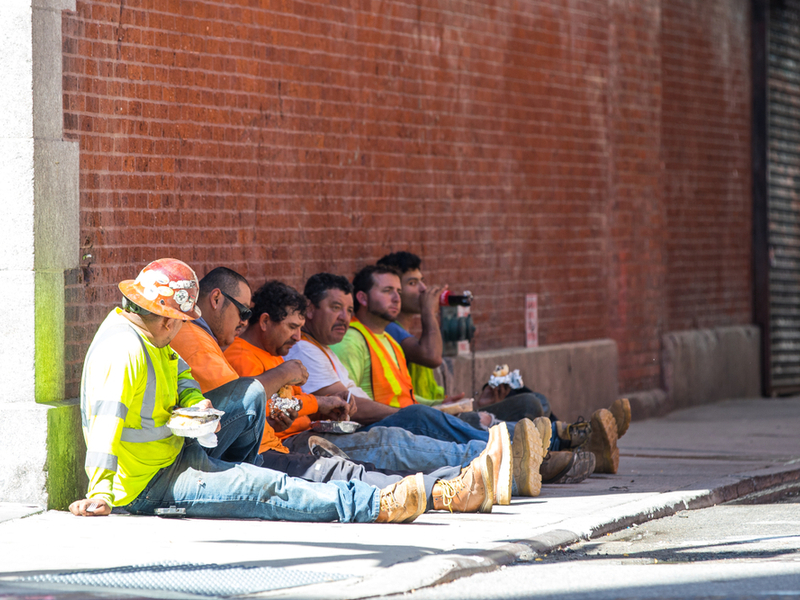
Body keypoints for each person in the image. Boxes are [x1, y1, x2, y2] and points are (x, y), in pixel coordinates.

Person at [70, 258, 427, 524]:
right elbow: (106, 423)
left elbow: (181, 375)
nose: (181, 329)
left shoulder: (152, 334)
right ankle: (372, 504)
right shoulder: (125, 350)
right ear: (166, 319)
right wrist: (100, 493)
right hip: (149, 484)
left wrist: (196, 404)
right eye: (179, 322)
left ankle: (239, 469)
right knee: (265, 489)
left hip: (176, 452)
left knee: (250, 394)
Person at [170, 267, 498, 514]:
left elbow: (236, 408)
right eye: (242, 312)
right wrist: (293, 394)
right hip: (254, 457)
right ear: (215, 300)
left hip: (260, 451)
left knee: (355, 467)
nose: (243, 321)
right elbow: (238, 402)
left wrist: (284, 410)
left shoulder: (202, 342)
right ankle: (455, 480)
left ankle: (456, 477)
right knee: (343, 471)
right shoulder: (200, 343)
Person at [224, 279, 553, 504]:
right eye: (291, 328)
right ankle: (500, 461)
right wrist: (317, 402)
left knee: (412, 424)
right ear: (265, 321)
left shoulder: (281, 354)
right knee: (393, 441)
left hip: (313, 431)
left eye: (298, 329)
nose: (296, 338)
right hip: (288, 447)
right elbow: (270, 407)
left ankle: (516, 450)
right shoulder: (247, 356)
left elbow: (292, 405)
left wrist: (321, 407)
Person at [375, 253, 629, 476]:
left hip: (432, 410)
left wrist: (461, 402)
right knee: (526, 405)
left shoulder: (388, 336)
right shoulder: (384, 333)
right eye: (410, 284)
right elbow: (431, 359)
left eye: (403, 289)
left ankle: (576, 441)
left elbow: (411, 395)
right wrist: (430, 312)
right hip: (413, 419)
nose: (422, 289)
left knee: (530, 398)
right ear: (364, 298)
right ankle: (559, 446)